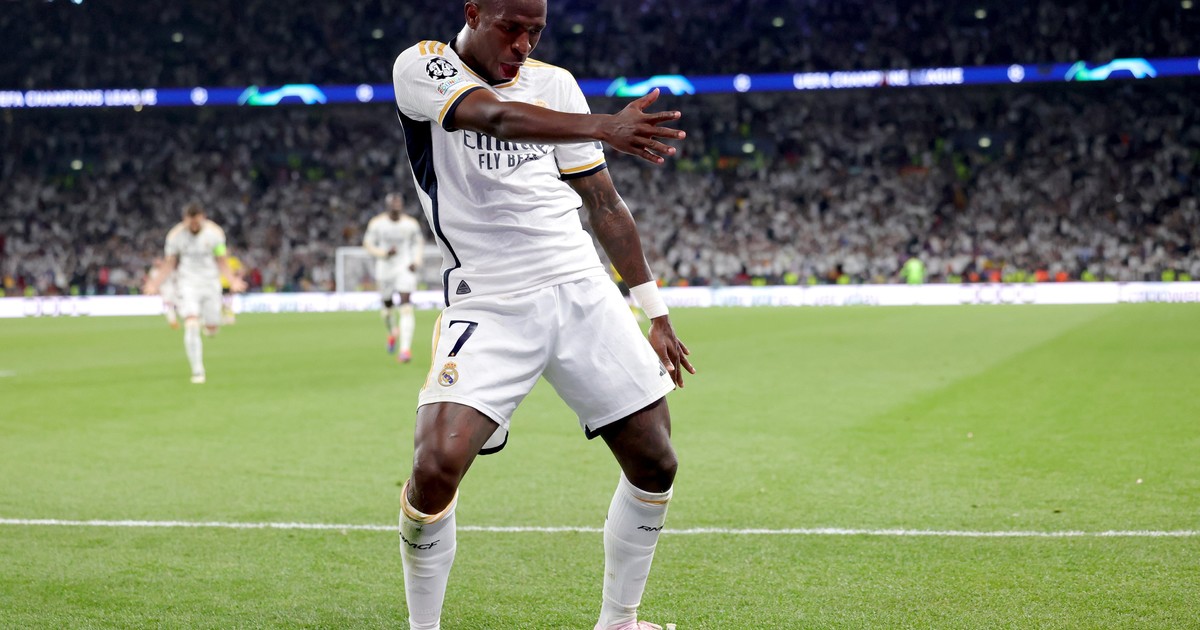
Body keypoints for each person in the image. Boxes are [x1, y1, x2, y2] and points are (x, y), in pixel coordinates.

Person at [391, 1, 695, 628]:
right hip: (490, 299)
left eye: (536, 31)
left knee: (656, 461)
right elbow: (495, 117)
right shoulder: (423, 66)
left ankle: (619, 622)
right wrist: (604, 125)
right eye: (512, 28)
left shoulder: (555, 84)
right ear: (474, 13)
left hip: (580, 287)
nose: (525, 44)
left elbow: (603, 204)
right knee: (435, 466)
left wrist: (655, 311)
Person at [143, 203, 246, 384]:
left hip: (210, 283)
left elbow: (221, 260)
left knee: (212, 329)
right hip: (187, 283)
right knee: (191, 323)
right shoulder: (175, 236)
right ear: (185, 220)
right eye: (190, 223)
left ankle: (210, 322)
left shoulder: (215, 233)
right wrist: (154, 284)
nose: (194, 226)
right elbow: (169, 264)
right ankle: (198, 371)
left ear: (203, 218)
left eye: (197, 223)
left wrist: (233, 281)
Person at [363, 193, 425, 363]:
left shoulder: (411, 224)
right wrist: (384, 253)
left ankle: (405, 350)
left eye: (399, 202)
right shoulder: (377, 223)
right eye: (393, 203)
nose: (396, 205)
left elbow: (418, 243)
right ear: (387, 205)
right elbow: (368, 244)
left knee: (406, 305)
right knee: (387, 306)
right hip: (385, 268)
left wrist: (416, 261)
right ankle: (392, 332)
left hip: (404, 267)